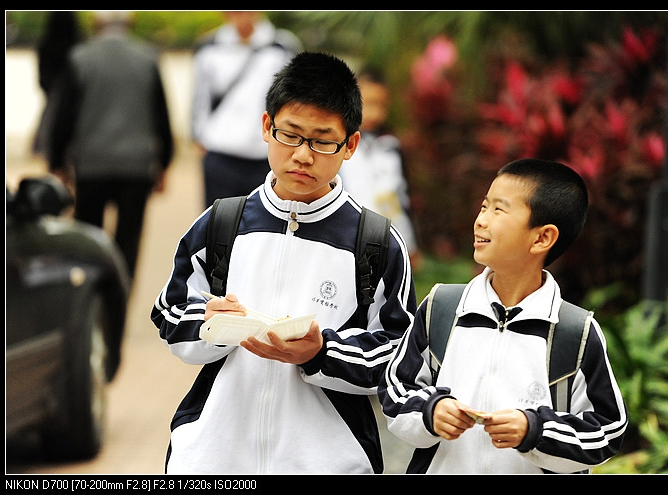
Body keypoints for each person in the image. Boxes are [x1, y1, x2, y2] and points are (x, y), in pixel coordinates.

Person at [151, 52, 417, 474]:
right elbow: (168, 312)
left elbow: (398, 352)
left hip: (328, 463)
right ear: (265, 128)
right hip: (212, 458)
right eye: (290, 135)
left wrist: (322, 352)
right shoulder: (222, 223)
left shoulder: (376, 243)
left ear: (350, 145)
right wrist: (210, 325)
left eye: (322, 140)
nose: (303, 155)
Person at [379, 158, 628, 474]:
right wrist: (431, 411)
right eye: (484, 207)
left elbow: (606, 432)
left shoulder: (574, 333)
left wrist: (534, 430)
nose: (481, 220)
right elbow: (395, 388)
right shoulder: (441, 308)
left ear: (541, 238)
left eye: (498, 210)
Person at [48, 11, 174, 278]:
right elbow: (161, 115)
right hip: (136, 165)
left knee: (87, 237)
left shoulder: (79, 57)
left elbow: (64, 116)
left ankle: (89, 293)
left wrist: (58, 162)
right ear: (129, 22)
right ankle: (119, 298)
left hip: (91, 162)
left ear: (96, 22)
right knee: (128, 240)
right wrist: (163, 163)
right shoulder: (148, 57)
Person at [191, 11, 301, 208]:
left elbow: (293, 100)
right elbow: (200, 97)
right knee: (218, 227)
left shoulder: (281, 46)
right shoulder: (210, 46)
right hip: (220, 153)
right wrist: (199, 137)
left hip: (265, 157)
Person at [339, 67, 422, 270]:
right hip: (344, 240)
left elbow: (399, 199)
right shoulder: (336, 146)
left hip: (385, 241)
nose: (375, 113)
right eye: (369, 104)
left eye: (381, 105)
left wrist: (409, 243)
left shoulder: (390, 147)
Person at [32, 11, 83, 158]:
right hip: (76, 107)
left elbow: (42, 79)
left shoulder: (45, 46)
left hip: (52, 101)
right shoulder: (79, 47)